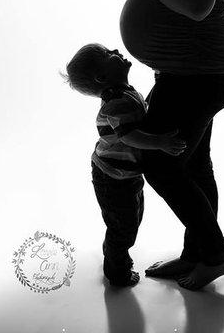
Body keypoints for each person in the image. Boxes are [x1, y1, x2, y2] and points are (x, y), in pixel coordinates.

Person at [119, 0, 224, 290]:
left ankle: (217, 255)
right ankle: (198, 254)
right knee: (193, 165)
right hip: (192, 71)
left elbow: (197, 6)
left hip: (200, 73)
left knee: (158, 162)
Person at [61, 43, 187, 287]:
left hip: (124, 173)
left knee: (131, 218)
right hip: (112, 176)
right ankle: (117, 272)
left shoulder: (124, 92)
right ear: (102, 76)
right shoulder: (116, 102)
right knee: (123, 227)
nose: (117, 51)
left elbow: (141, 115)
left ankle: (114, 252)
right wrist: (160, 142)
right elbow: (130, 135)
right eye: (109, 54)